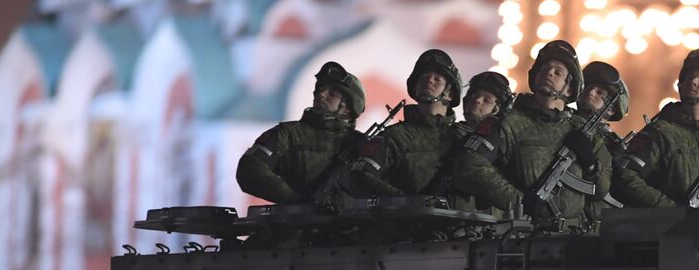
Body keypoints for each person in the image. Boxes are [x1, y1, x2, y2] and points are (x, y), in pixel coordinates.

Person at [450, 40, 608, 228]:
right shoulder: (506, 123)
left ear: (569, 88)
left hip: (572, 234)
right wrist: (519, 201)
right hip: (522, 232)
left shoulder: (582, 129)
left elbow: (601, 191)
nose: (549, 73)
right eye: (544, 69)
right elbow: (469, 167)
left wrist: (590, 164)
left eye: (558, 72)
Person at [611, 47, 699, 209]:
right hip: (670, 225)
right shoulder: (661, 132)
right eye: (690, 77)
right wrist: (673, 210)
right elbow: (625, 179)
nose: (693, 82)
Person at [236, 61, 367, 205]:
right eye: (321, 89)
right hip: (298, 218)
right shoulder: (287, 135)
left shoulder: (363, 145)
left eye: (332, 94)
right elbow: (249, 169)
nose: (321, 94)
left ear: (348, 107)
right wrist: (295, 200)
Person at [350, 49, 464, 200]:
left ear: (450, 94)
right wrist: (406, 202)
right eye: (423, 78)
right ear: (415, 87)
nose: (429, 81)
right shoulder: (394, 137)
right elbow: (360, 177)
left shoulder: (463, 138)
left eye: (437, 79)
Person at [576, 60, 629, 224]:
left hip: (598, 222)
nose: (591, 92)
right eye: (588, 87)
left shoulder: (614, 145)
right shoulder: (561, 124)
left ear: (612, 109)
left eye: (600, 92)